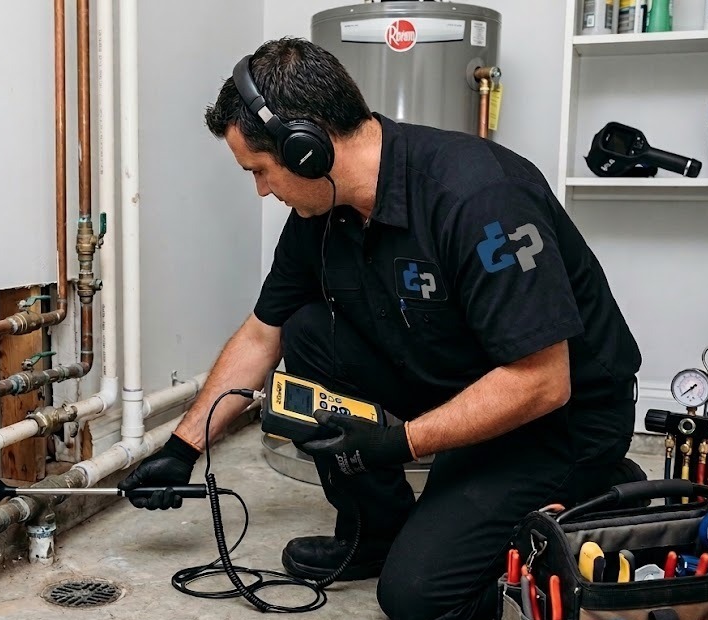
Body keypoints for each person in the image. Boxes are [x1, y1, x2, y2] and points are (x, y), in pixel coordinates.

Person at [118, 37, 643, 620]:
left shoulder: (478, 196)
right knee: (310, 329)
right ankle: (377, 529)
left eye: (260, 171)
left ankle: (592, 489)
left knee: (418, 597)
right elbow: (265, 332)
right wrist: (183, 446)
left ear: (306, 149)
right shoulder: (322, 211)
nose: (262, 190)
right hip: (458, 376)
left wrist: (401, 442)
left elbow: (542, 382)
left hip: (558, 420)